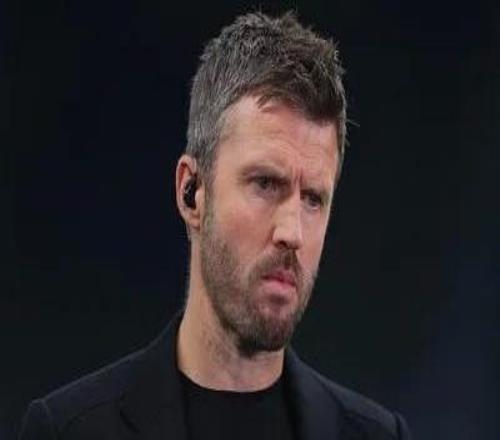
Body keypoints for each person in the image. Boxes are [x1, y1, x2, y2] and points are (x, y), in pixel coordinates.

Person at [19, 11, 411, 440]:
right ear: (192, 192)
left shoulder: (378, 436)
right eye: (265, 184)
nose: (293, 232)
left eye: (313, 199)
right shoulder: (68, 431)